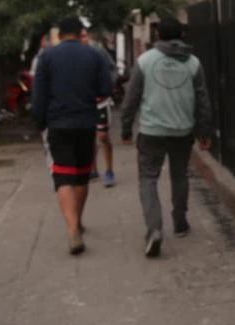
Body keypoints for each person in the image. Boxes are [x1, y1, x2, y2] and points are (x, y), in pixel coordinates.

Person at [120, 17, 212, 258]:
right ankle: (180, 222)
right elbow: (202, 100)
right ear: (181, 35)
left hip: (151, 131)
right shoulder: (193, 63)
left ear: (157, 35)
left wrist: (126, 128)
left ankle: (154, 228)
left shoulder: (145, 61)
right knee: (180, 175)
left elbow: (131, 98)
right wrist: (204, 132)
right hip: (182, 130)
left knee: (148, 178)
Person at [32, 16, 113, 255]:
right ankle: (77, 220)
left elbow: (39, 95)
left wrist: (40, 122)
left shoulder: (47, 57)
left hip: (58, 124)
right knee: (81, 176)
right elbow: (105, 89)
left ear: (60, 35)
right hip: (86, 123)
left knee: (63, 176)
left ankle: (72, 229)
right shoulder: (95, 55)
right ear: (80, 33)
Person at [80, 29, 117, 187]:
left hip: (101, 101)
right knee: (88, 137)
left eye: (84, 35)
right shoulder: (74, 55)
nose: (82, 39)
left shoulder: (98, 52)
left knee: (102, 136)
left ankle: (109, 170)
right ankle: (93, 169)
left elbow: (112, 69)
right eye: (80, 36)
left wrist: (107, 86)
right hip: (84, 102)